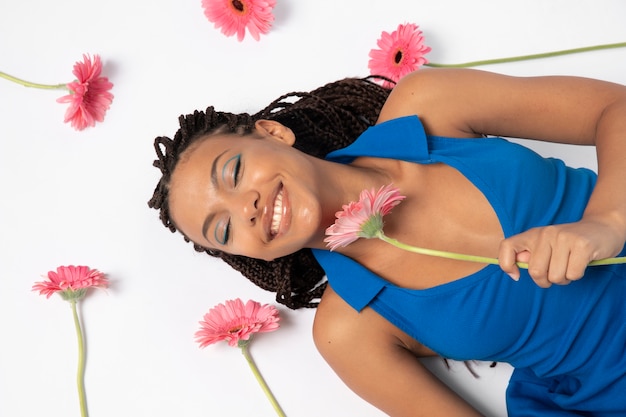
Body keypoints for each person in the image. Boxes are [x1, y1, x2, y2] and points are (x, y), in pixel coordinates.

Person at [148, 68, 626, 416]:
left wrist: (605, 221)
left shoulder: (430, 104)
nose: (245, 208)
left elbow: (614, 108)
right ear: (250, 256)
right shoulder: (349, 331)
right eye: (224, 229)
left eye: (233, 172)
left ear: (273, 133)